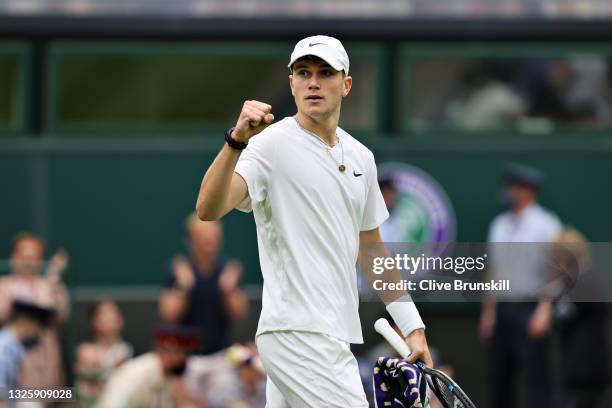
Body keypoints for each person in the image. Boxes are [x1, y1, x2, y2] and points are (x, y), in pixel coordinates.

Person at [195, 35, 432, 407]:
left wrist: (412, 326)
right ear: (292, 83)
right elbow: (208, 209)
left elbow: (371, 251)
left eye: (325, 73)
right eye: (303, 73)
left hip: (331, 334)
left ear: (346, 84)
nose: (313, 82)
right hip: (298, 335)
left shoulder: (361, 158)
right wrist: (235, 140)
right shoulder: (268, 145)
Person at [479, 163, 562, 408]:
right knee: (499, 378)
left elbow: (555, 270)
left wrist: (544, 310)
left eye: (515, 187)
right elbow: (492, 270)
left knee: (535, 379)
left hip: (530, 307)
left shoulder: (546, 224)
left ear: (528, 191)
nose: (510, 192)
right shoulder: (499, 224)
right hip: (502, 308)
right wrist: (488, 313)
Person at [159, 213, 249, 407]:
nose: (208, 242)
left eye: (213, 237)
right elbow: (168, 314)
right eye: (202, 237)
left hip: (221, 359)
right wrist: (183, 287)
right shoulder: (179, 270)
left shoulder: (228, 270)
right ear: (190, 240)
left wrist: (229, 289)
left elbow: (239, 313)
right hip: (187, 361)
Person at [0, 232, 70, 390]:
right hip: (10, 360)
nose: (28, 261)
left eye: (34, 256)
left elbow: (60, 314)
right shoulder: (3, 286)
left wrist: (53, 279)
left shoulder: (51, 286)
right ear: (13, 257)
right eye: (23, 256)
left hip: (44, 361)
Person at [97, 326, 200, 408]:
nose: (186, 361)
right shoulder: (136, 374)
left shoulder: (167, 377)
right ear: (170, 352)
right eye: (183, 355)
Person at [75, 299, 133, 408]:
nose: (111, 316)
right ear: (94, 320)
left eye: (114, 311)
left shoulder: (126, 350)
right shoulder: (85, 351)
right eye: (104, 313)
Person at [0, 300, 54, 408]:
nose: (39, 333)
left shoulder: (14, 348)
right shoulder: (4, 349)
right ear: (24, 321)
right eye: (38, 326)